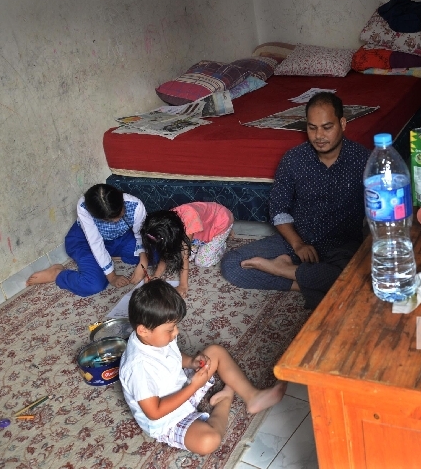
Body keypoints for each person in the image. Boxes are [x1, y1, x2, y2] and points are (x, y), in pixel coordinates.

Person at [220, 92, 370, 309]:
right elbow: (279, 208)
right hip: (297, 240)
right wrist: (297, 243)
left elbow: (381, 211)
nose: (319, 135)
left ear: (343, 124)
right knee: (232, 266)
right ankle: (305, 283)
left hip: (343, 246)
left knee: (360, 276)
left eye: (327, 127)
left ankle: (284, 270)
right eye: (312, 127)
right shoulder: (294, 159)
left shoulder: (364, 160)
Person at [119, 279, 286, 455]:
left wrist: (191, 362)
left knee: (215, 351)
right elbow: (155, 412)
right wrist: (194, 386)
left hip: (180, 387)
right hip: (166, 420)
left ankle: (252, 397)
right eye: (170, 329)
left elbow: (171, 356)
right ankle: (224, 401)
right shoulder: (138, 368)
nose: (176, 332)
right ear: (143, 330)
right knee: (208, 441)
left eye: (175, 326)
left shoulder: (156, 336)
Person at [26, 183, 148, 296]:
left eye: (119, 214)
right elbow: (96, 244)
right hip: (85, 242)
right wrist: (112, 277)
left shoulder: (135, 205)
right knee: (93, 284)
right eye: (109, 220)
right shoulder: (84, 207)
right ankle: (58, 274)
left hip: (119, 238)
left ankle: (110, 258)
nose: (116, 221)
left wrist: (143, 263)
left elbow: (141, 235)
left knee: (155, 253)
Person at [141, 203, 233, 297]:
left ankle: (221, 245)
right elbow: (166, 251)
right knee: (179, 255)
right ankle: (203, 243)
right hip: (200, 228)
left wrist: (183, 285)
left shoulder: (186, 219)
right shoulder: (165, 225)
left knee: (202, 261)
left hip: (221, 220)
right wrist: (156, 275)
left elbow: (184, 255)